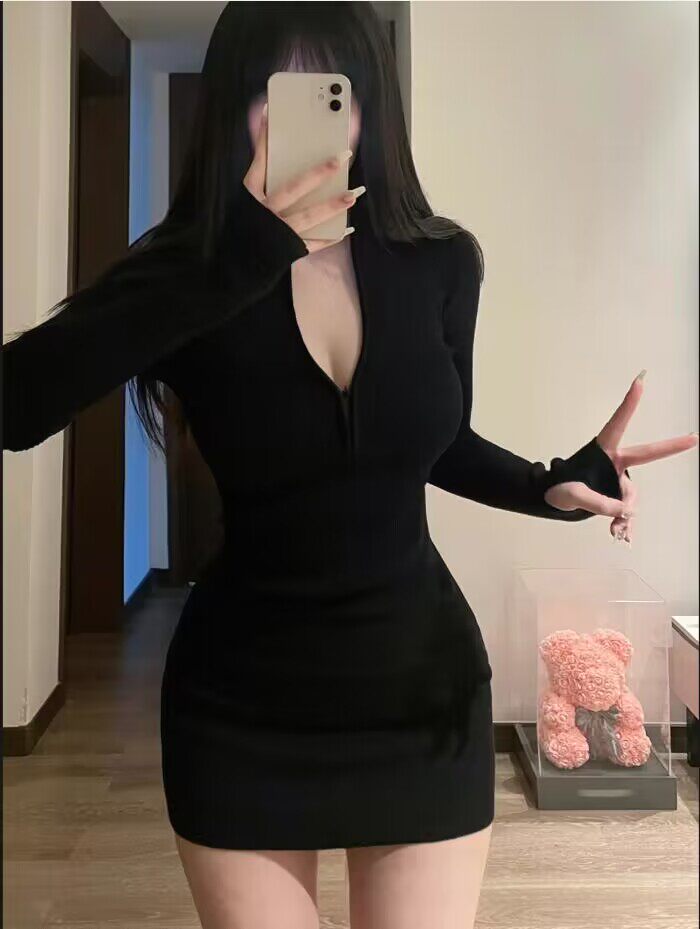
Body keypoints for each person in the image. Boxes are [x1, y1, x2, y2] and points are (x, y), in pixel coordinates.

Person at [3, 4, 697, 928]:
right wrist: (240, 256)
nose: (291, 114)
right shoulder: (188, 270)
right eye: (269, 88)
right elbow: (18, 403)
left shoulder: (440, 261)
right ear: (231, 108)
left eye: (328, 87)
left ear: (368, 105)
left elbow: (434, 441)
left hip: (421, 691)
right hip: (239, 702)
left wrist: (549, 483)